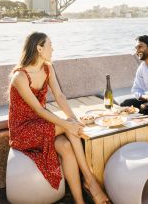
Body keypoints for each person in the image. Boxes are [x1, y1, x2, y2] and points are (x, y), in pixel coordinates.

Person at [8, 32, 109, 204]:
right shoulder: (20, 77)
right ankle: (90, 180)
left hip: (41, 123)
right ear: (39, 48)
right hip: (23, 130)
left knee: (66, 146)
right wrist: (68, 124)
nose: (53, 49)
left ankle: (79, 201)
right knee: (68, 127)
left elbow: (60, 96)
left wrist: (73, 120)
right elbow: (39, 109)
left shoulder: (48, 68)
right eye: (50, 45)